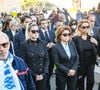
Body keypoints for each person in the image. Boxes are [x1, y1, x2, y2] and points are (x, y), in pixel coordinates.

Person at [20, 24, 49, 90]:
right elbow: (23, 62)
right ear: (29, 32)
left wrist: (44, 73)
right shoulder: (24, 45)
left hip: (43, 74)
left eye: (37, 31)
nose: (36, 33)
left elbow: (46, 59)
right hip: (31, 75)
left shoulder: (43, 43)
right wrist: (34, 75)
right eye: (33, 31)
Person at [51, 25, 79, 90]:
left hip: (73, 73)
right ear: (59, 35)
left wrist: (73, 69)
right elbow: (57, 63)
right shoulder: (55, 47)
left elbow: (77, 58)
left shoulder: (72, 44)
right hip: (61, 74)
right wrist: (68, 71)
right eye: (65, 34)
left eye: (69, 34)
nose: (67, 36)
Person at [73, 19, 98, 90]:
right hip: (81, 63)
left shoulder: (91, 38)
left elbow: (97, 50)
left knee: (91, 81)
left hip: (91, 63)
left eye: (87, 27)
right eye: (84, 27)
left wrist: (96, 43)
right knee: (80, 82)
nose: (86, 29)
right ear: (79, 28)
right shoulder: (75, 39)